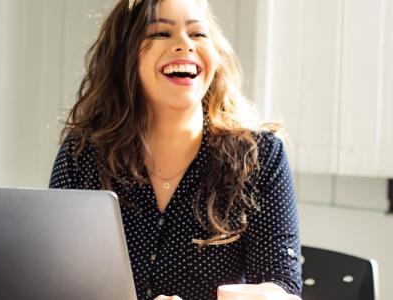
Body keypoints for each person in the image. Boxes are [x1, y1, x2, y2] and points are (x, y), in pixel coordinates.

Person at [49, 0, 302, 299]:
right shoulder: (82, 154)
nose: (185, 45)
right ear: (125, 55)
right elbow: (56, 282)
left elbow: (282, 287)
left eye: (198, 34)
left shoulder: (260, 157)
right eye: (160, 33)